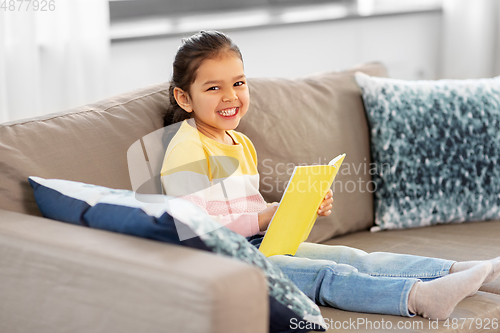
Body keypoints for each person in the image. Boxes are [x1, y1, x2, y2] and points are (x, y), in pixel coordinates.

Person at [160, 30, 500, 320]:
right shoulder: (186, 148)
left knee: (354, 257)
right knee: (327, 275)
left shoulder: (240, 142)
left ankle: (462, 272)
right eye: (213, 88)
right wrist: (265, 216)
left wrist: (297, 210)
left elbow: (250, 216)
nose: (231, 96)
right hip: (222, 263)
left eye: (238, 83)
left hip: (257, 247)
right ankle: (416, 297)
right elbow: (195, 226)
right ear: (184, 97)